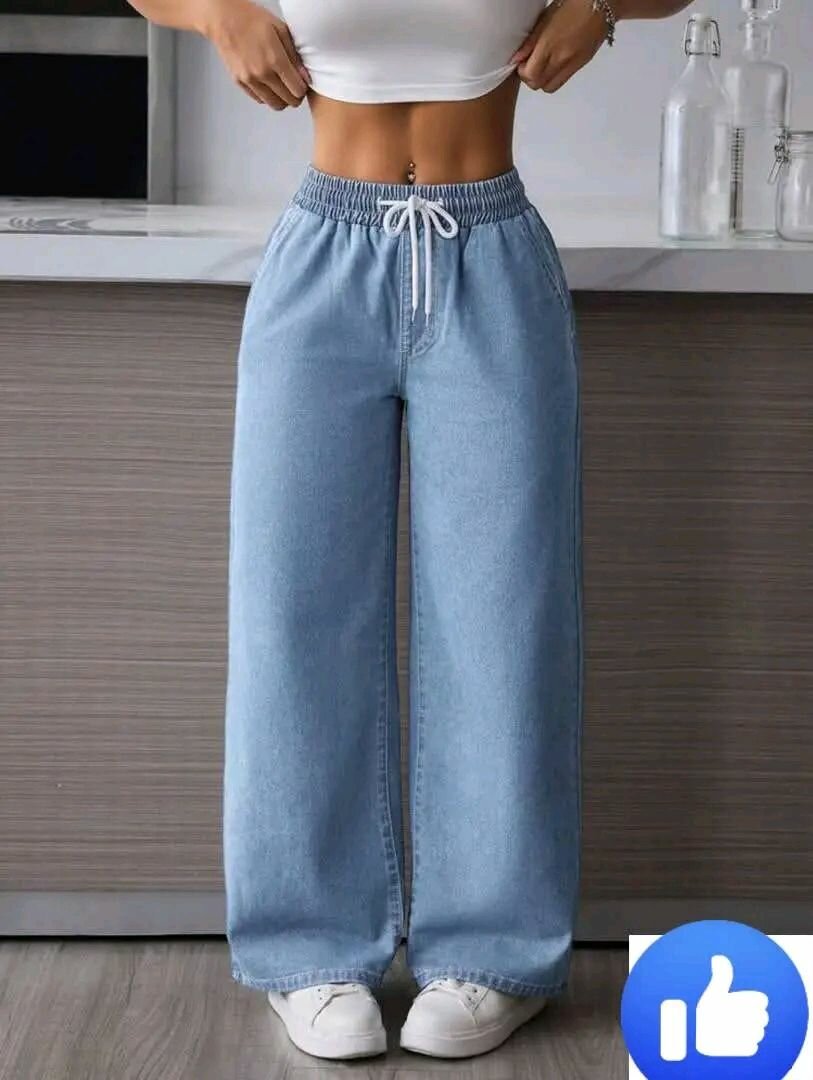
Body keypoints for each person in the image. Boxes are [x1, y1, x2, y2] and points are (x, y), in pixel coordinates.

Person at [131, 0, 692, 1061]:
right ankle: (310, 952)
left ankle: (492, 954)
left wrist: (604, 3)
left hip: (491, 251)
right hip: (321, 254)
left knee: (502, 617)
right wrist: (212, 13)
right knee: (293, 611)